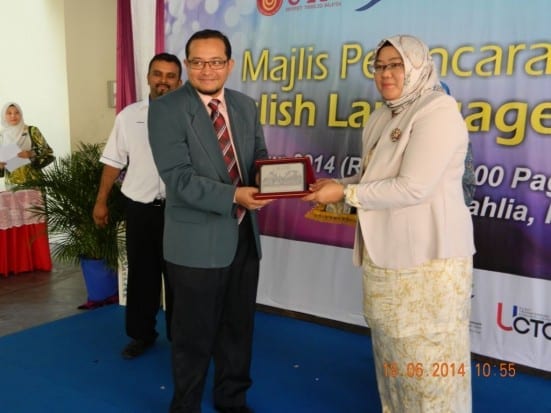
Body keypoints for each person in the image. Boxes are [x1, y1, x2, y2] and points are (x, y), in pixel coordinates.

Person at [303, 35, 476, 412]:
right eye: (380, 66)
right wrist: (335, 186)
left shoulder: (438, 111)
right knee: (394, 361)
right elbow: (372, 179)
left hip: (429, 263)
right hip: (386, 259)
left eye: (395, 65)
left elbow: (412, 187)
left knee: (431, 370)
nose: (386, 74)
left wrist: (344, 196)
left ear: (417, 66)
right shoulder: (383, 114)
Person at [148, 29, 272, 413]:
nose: (207, 70)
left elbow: (259, 158)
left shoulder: (245, 106)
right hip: (194, 244)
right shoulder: (167, 109)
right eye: (198, 62)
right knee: (192, 336)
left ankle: (231, 399)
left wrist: (276, 183)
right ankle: (185, 406)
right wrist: (235, 195)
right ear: (187, 65)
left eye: (216, 61)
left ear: (229, 65)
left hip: (243, 238)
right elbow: (179, 179)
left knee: (238, 329)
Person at [92, 53, 182, 359]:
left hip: (180, 213)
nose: (163, 81)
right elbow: (113, 162)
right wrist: (101, 201)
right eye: (158, 74)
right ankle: (141, 335)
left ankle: (180, 338)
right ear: (148, 78)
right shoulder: (128, 117)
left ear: (179, 81)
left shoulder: (191, 115)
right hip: (141, 210)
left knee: (180, 278)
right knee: (142, 276)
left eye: (170, 76)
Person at [0, 102, 54, 185]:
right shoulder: (1, 136)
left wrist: (31, 153)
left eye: (17, 112)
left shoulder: (32, 131)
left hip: (33, 180)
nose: (13, 116)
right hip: (12, 184)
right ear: (4, 116)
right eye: (9, 113)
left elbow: (47, 151)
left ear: (21, 114)